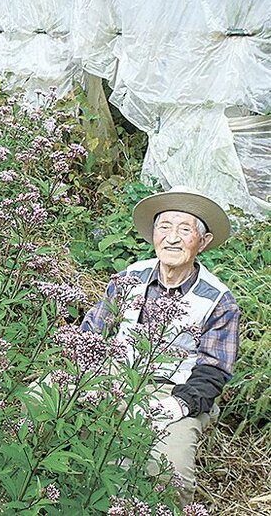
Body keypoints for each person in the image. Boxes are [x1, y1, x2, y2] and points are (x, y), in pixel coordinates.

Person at [80, 186, 241, 506]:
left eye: (185, 229)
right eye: (164, 227)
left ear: (204, 242)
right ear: (153, 234)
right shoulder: (129, 277)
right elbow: (91, 334)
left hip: (175, 391)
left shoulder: (218, 300)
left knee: (169, 470)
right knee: (38, 408)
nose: (172, 237)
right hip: (115, 375)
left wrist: (177, 406)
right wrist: (83, 378)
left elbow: (213, 371)